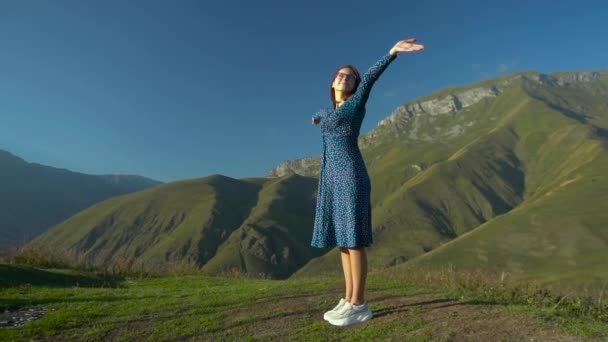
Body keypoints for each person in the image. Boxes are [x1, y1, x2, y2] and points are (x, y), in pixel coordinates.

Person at [310, 38, 424, 327]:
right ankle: (348, 298)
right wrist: (316, 119)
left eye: (350, 76)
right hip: (331, 180)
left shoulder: (354, 105)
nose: (344, 77)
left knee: (354, 239)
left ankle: (360, 303)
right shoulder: (328, 111)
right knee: (343, 243)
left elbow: (370, 79)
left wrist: (392, 53)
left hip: (350, 174)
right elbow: (322, 117)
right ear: (332, 81)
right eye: (340, 74)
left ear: (354, 84)